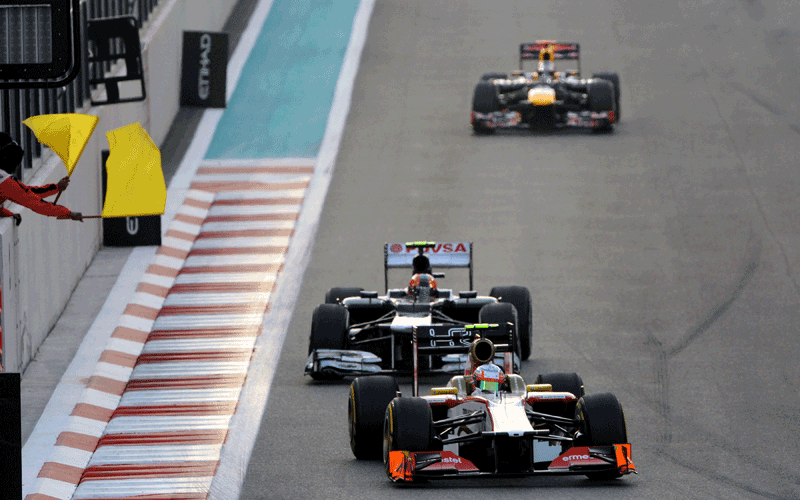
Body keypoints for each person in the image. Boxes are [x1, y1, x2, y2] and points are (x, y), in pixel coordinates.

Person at [0, 132, 82, 225]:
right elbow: (37, 204)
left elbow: (27, 192)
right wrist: (68, 213)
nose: (16, 170)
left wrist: (56, 187)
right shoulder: (5, 182)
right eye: (17, 164)